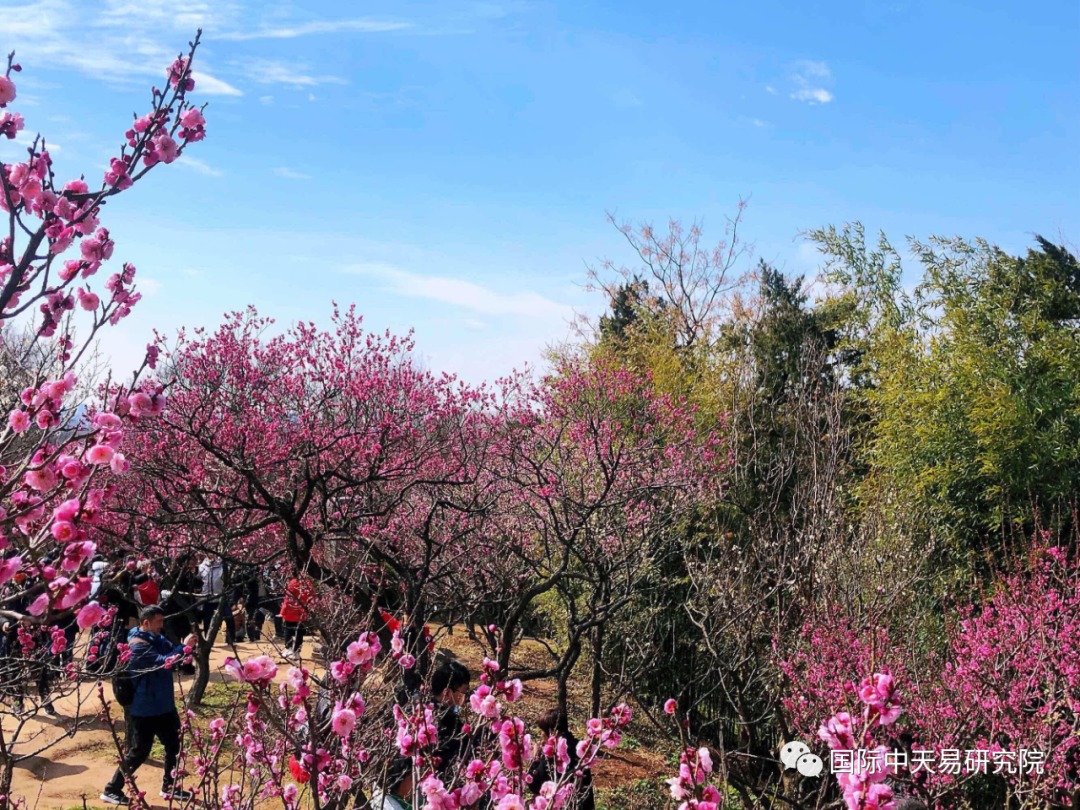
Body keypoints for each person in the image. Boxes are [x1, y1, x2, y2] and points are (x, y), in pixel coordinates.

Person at [100, 606, 198, 806]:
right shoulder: (138, 646)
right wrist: (184, 647)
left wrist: (185, 648)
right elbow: (163, 663)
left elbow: (173, 654)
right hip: (145, 709)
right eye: (158, 622)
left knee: (174, 746)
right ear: (146, 622)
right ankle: (112, 789)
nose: (162, 625)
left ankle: (170, 787)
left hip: (164, 705)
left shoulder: (157, 638)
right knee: (139, 752)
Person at [527, 707, 595, 810]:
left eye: (542, 730)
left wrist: (535, 756)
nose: (541, 734)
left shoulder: (553, 752)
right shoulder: (579, 747)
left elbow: (534, 784)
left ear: (550, 731)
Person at [431, 659, 473, 773]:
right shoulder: (448, 722)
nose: (466, 699)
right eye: (464, 693)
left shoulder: (421, 708)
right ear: (447, 693)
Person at [197, 556, 235, 644]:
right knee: (207, 621)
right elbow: (198, 582)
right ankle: (208, 642)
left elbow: (229, 581)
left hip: (221, 599)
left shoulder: (224, 567)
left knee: (229, 618)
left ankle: (232, 640)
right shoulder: (201, 568)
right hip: (207, 599)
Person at [278, 573, 314, 659]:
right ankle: (297, 651)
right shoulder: (308, 583)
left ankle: (289, 649)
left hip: (291, 611)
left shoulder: (293, 583)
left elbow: (287, 598)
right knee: (300, 633)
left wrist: (282, 612)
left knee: (288, 630)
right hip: (302, 612)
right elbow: (312, 596)